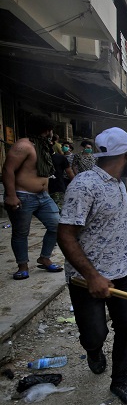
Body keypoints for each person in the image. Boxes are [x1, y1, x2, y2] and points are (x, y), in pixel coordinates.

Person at [57, 127, 127, 405]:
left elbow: (118, 217)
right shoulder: (84, 185)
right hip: (86, 278)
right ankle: (93, 350)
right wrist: (92, 276)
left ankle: (120, 380)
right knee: (94, 334)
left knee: (126, 327)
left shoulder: (117, 184)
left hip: (122, 270)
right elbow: (64, 234)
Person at [2, 114, 64, 280]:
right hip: (23, 196)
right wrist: (11, 195)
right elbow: (8, 169)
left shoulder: (42, 146)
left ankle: (44, 257)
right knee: (21, 233)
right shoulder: (23, 145)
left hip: (43, 196)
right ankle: (22, 266)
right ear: (46, 130)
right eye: (50, 130)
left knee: (57, 226)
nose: (52, 133)